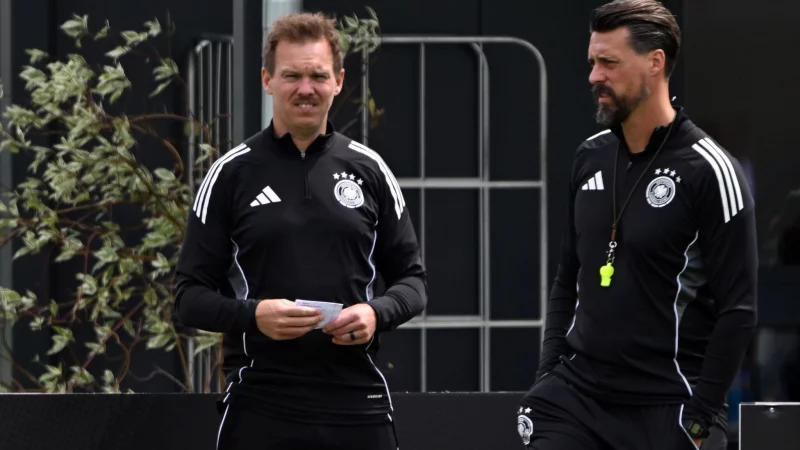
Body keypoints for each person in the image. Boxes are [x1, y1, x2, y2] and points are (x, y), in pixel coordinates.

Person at [174, 12, 427, 450]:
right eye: (291, 75)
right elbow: (187, 297)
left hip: (356, 400)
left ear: (339, 80)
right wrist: (254, 315)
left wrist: (375, 314)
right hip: (261, 401)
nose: (305, 89)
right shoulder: (231, 174)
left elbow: (413, 282)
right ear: (267, 80)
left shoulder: (370, 170)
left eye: (317, 76)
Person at [516, 1, 757, 449]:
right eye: (592, 62)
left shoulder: (710, 171)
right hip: (580, 397)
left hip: (670, 404)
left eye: (609, 62)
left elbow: (738, 311)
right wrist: (548, 374)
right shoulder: (588, 156)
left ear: (655, 62)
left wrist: (701, 420)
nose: (594, 77)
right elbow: (568, 277)